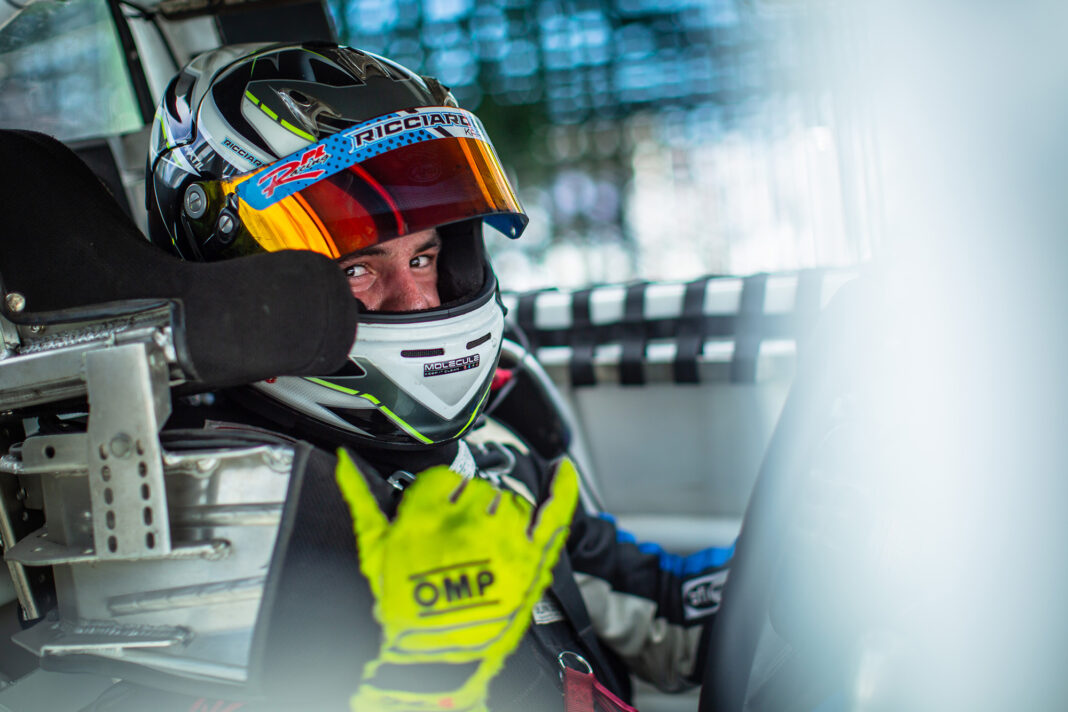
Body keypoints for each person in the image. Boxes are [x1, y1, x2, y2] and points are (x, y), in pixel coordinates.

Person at [129, 41, 733, 711]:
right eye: (357, 270)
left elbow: (668, 610)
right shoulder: (235, 522)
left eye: (424, 257)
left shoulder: (495, 462)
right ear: (237, 282)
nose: (420, 302)